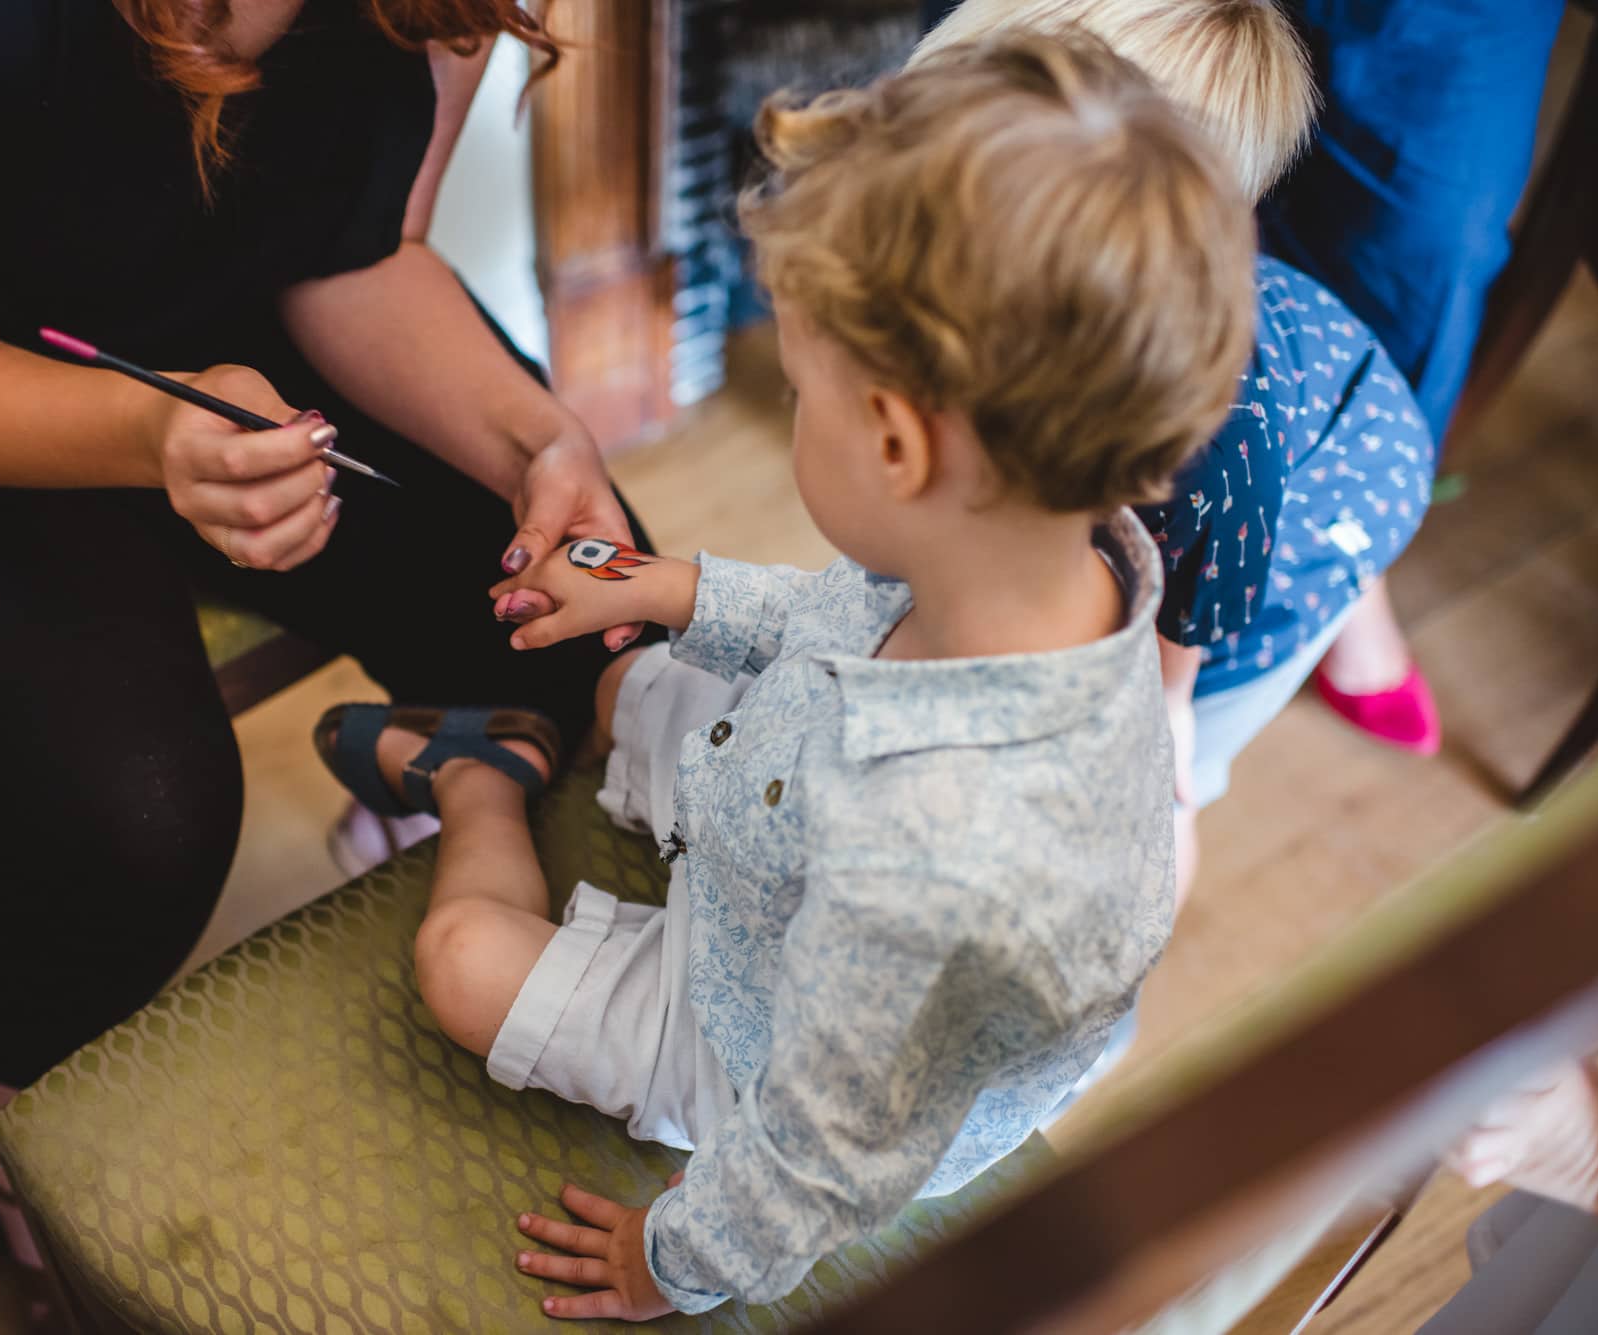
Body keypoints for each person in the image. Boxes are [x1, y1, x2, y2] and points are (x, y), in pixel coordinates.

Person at [0, 0, 653, 1260]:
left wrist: (539, 442)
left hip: (202, 298)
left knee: (592, 617)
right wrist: (147, 437)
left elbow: (352, 249)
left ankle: (450, 771)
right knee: (137, 808)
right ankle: (11, 1129)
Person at [314, 34, 1252, 1318]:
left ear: (893, 441)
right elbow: (837, 618)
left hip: (748, 1043)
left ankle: (480, 781)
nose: (792, 407)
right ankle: (608, 759)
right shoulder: (1038, 557)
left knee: (464, 961)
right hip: (782, 817)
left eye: (797, 387)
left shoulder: (935, 864)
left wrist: (669, 1263)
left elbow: (823, 1159)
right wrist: (675, 590)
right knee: (623, 686)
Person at [915, 0, 1434, 906]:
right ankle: (1364, 624)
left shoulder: (1206, 438)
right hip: (1321, 399)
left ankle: (1110, 999)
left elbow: (1183, 643)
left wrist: (1164, 728)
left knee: (1150, 795)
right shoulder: (1052, 280)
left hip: (1331, 489)